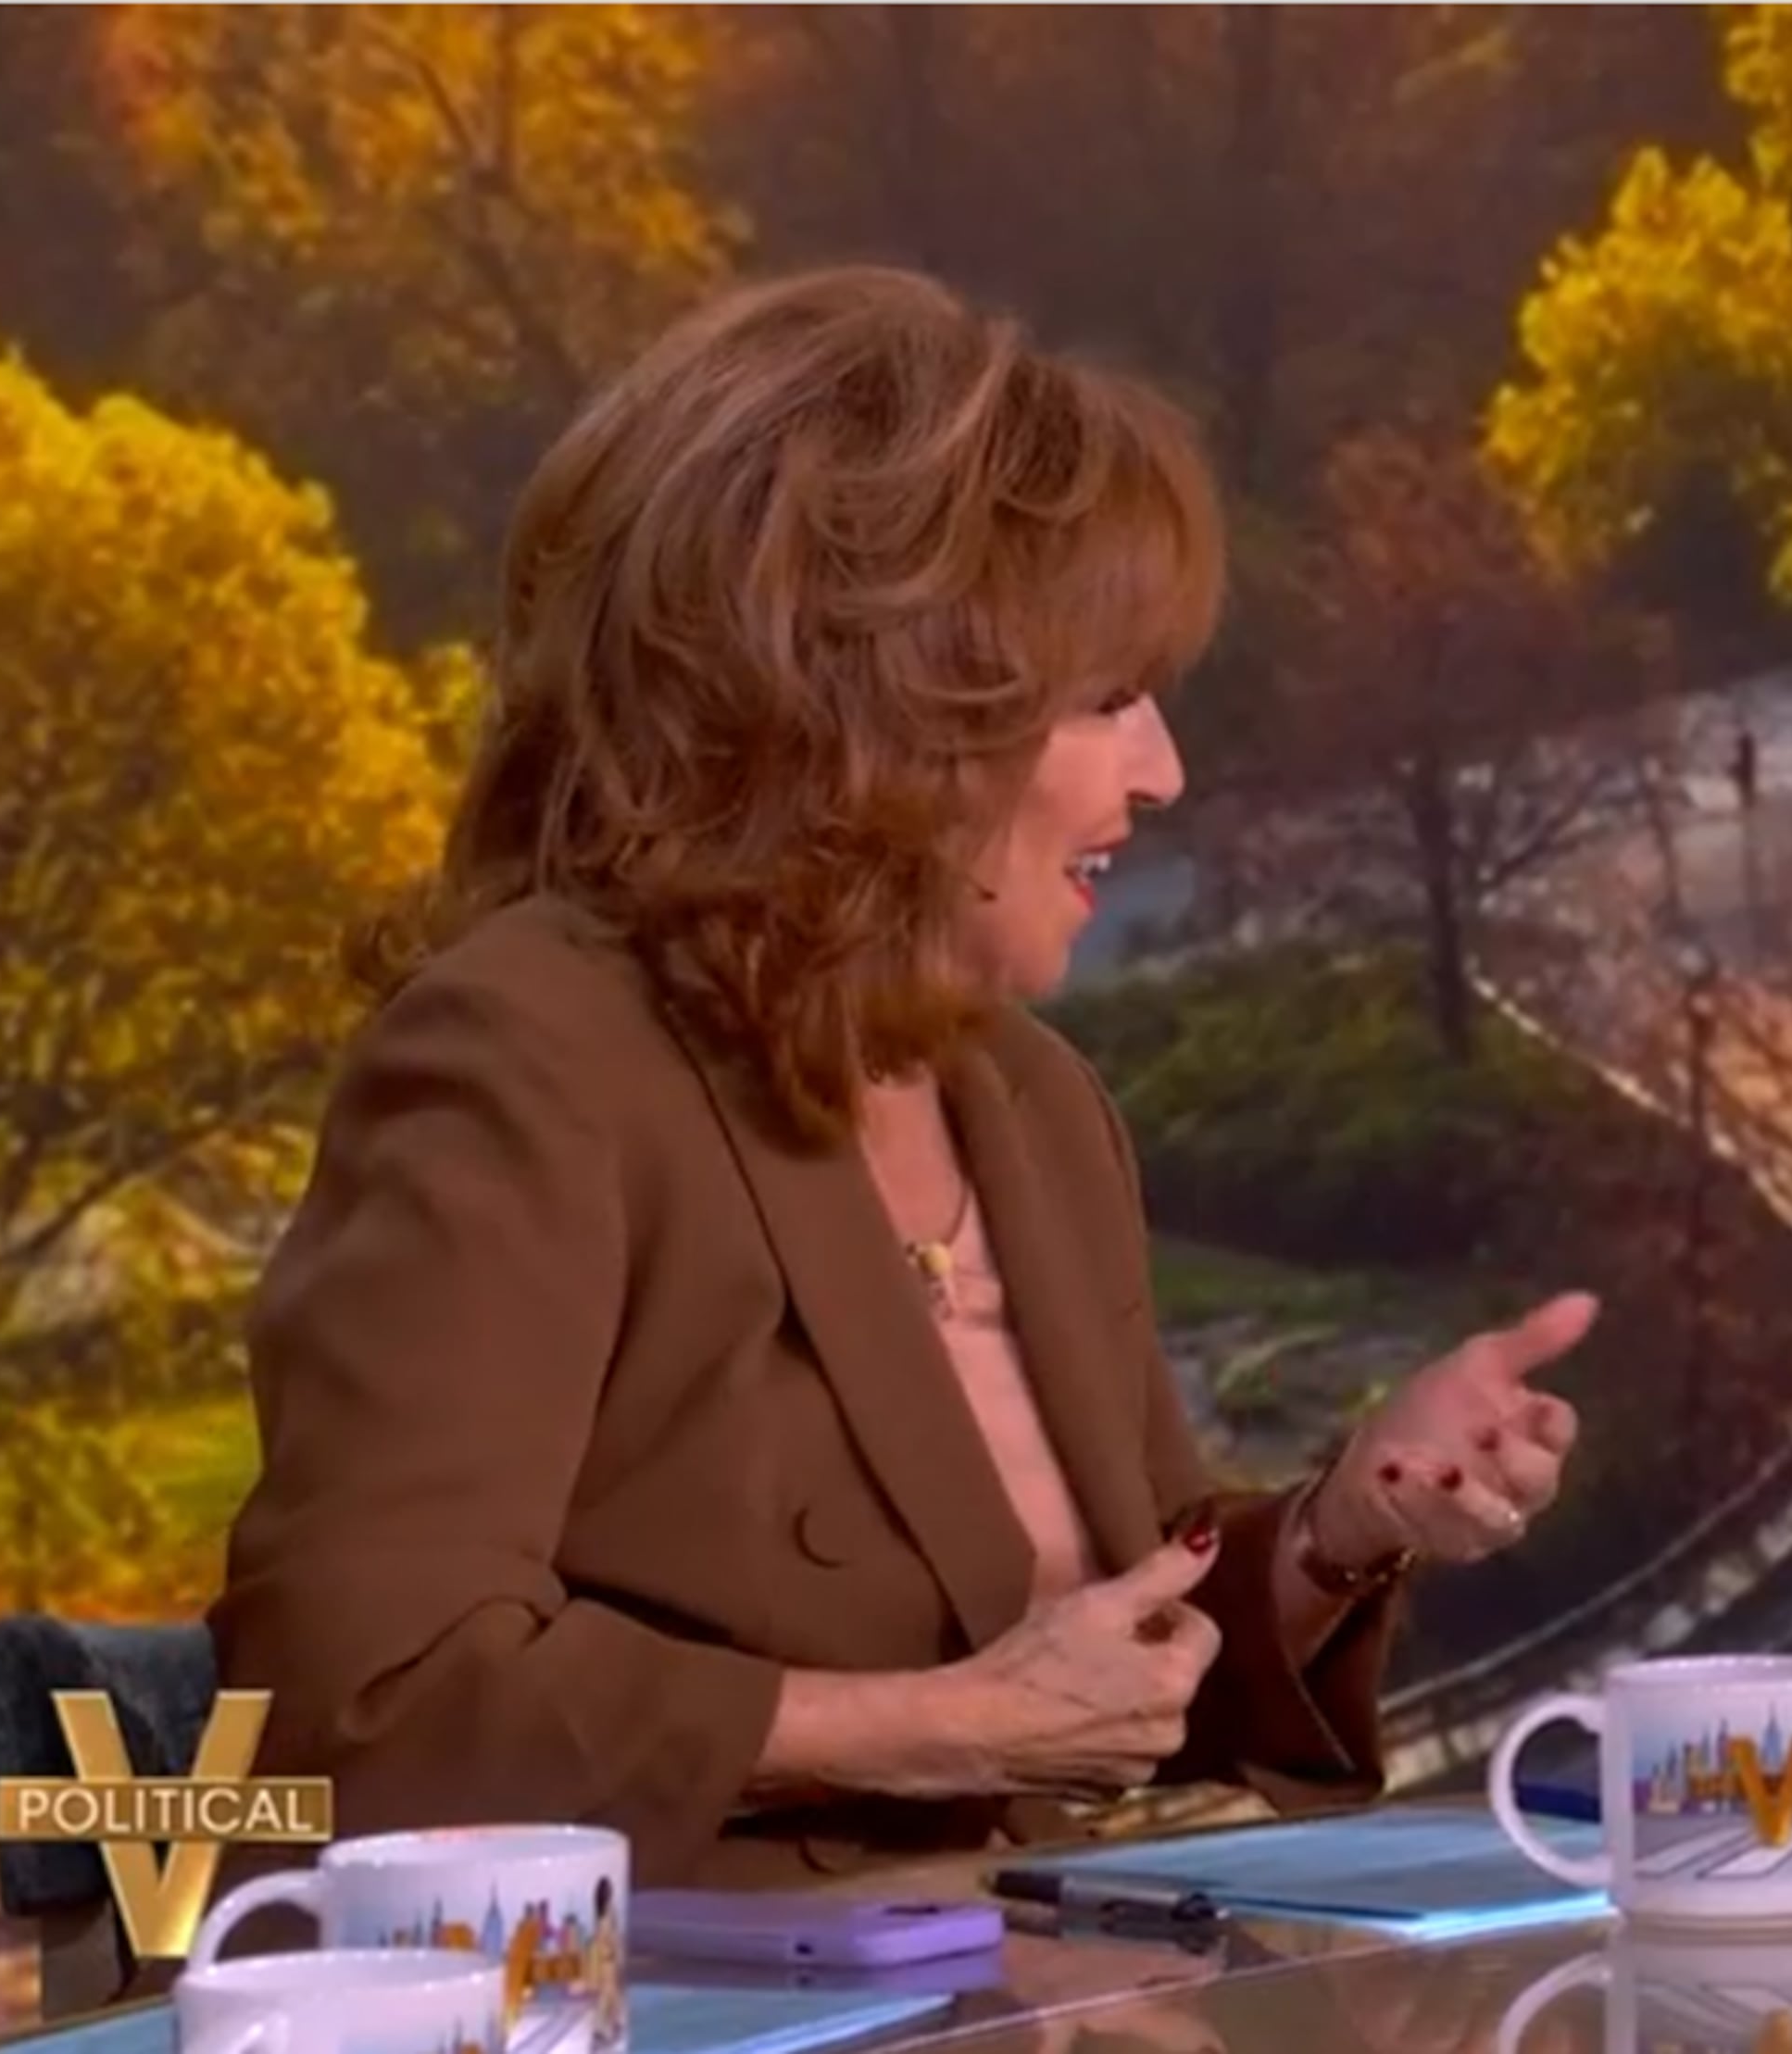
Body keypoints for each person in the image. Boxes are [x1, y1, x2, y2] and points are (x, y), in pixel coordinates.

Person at [208, 266, 1599, 1889]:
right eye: (1108, 701)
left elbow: (1119, 1659)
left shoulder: (1035, 1105)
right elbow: (347, 1714)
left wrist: (1344, 1524)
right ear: (884, 714)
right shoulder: (526, 1062)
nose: (1165, 771)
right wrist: (927, 1726)